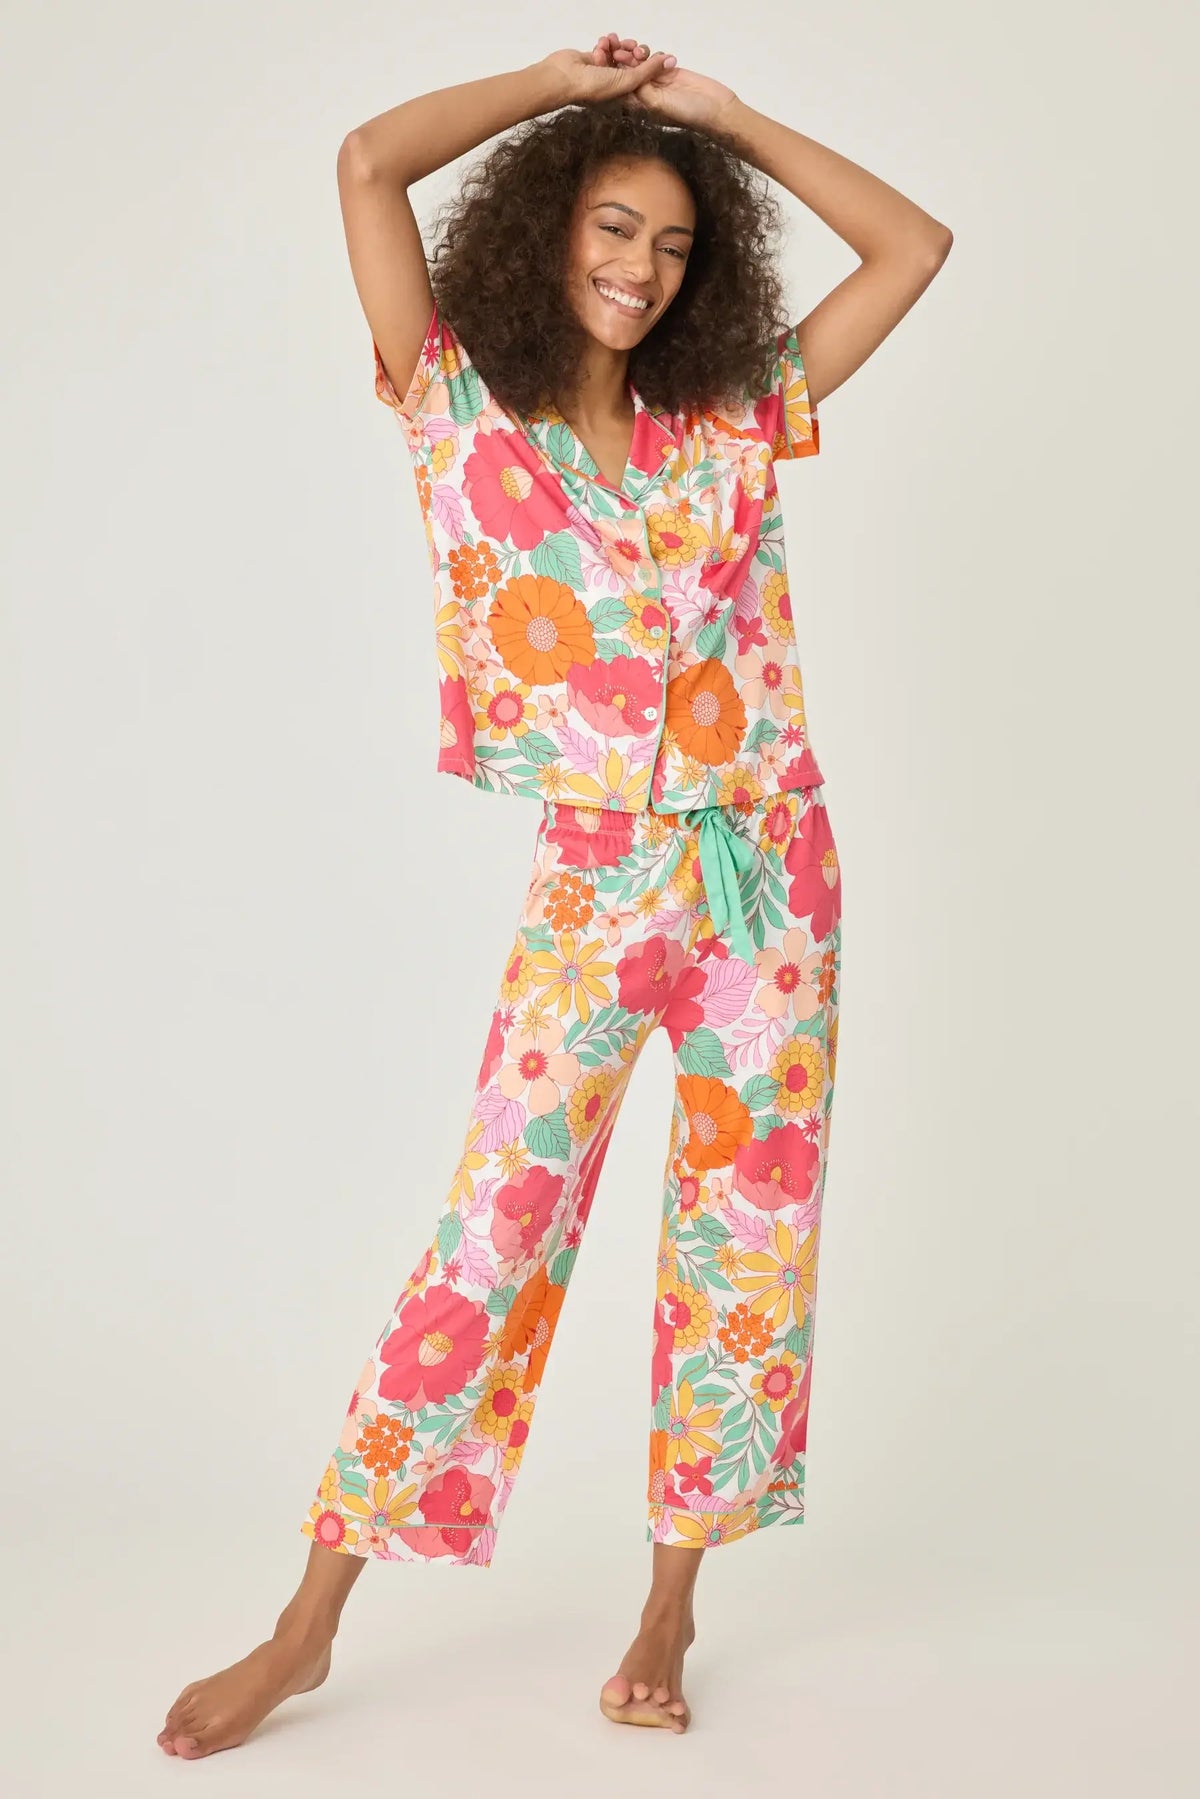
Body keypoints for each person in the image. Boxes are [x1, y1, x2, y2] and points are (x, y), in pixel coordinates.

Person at [157, 32, 951, 1759]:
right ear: (548, 228)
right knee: (492, 1233)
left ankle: (670, 1605)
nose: (639, 268)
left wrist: (725, 120)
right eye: (611, 226)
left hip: (773, 874)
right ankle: (307, 1626)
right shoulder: (456, 404)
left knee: (746, 1246)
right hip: (600, 879)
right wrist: (557, 89)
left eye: (672, 243)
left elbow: (915, 247)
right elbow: (369, 161)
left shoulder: (730, 417)